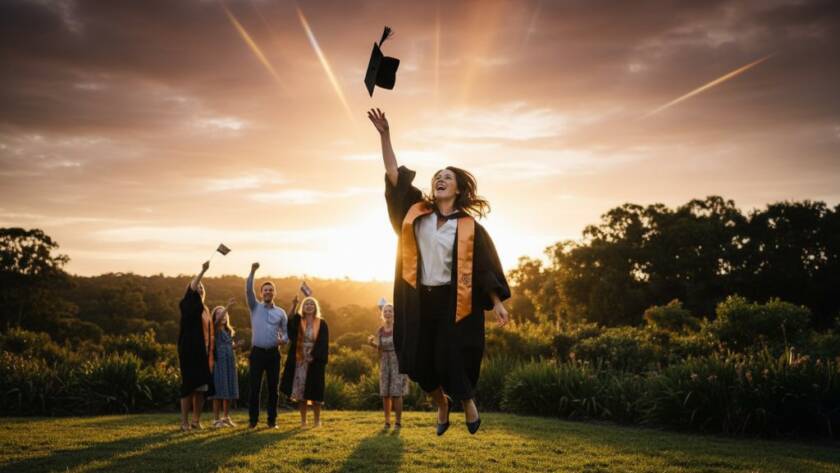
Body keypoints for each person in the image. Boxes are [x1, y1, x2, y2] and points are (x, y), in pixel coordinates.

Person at [368, 108, 511, 435]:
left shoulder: (468, 226)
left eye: (448, 176)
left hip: (453, 301)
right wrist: (385, 135)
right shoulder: (416, 211)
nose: (440, 179)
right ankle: (441, 403)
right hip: (417, 299)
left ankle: (467, 401)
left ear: (458, 188)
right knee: (417, 361)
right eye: (438, 176)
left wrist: (498, 302)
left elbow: (485, 267)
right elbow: (393, 175)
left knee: (450, 355)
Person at [246, 262, 289, 429]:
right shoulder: (254, 306)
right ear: (261, 293)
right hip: (257, 353)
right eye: (265, 290)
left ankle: (272, 421)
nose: (268, 292)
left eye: (271, 290)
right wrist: (252, 271)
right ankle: (253, 421)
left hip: (273, 354)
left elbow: (285, 333)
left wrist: (283, 340)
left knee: (273, 389)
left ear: (274, 293)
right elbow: (248, 290)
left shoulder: (281, 313)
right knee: (255, 388)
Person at [177, 260, 215, 431]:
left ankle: (196, 420)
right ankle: (184, 422)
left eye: (202, 288)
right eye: (197, 287)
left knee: (201, 388)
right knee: (189, 386)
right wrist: (202, 271)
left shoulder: (205, 309)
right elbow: (192, 289)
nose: (199, 289)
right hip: (189, 352)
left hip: (204, 354)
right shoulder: (186, 304)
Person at [280, 296, 330, 427]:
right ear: (303, 307)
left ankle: (317, 420)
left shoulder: (322, 323)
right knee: (301, 392)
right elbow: (288, 320)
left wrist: (314, 355)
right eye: (306, 304)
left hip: (315, 361)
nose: (309, 306)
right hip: (299, 360)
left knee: (315, 391)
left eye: (311, 304)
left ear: (315, 307)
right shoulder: (298, 320)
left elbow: (323, 342)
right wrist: (294, 305)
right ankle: (303, 421)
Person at [367, 302, 408, 430]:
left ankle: (398, 422)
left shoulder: (399, 328)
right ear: (382, 314)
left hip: (397, 361)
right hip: (385, 362)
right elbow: (380, 348)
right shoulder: (380, 330)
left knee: (396, 393)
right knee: (385, 393)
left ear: (394, 314)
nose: (388, 313)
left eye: (390, 311)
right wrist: (371, 343)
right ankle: (387, 422)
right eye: (386, 311)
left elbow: (404, 345)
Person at [209, 298, 239, 428]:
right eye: (219, 313)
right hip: (219, 363)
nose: (223, 315)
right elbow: (215, 321)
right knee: (218, 392)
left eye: (225, 314)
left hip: (229, 362)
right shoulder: (214, 328)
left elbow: (228, 346)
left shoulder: (228, 331)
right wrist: (226, 306)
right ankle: (216, 419)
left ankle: (226, 417)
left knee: (228, 391)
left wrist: (236, 346)